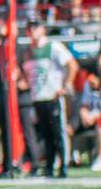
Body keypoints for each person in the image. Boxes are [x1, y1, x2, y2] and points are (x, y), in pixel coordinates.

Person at [18, 24, 74, 179]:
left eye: (36, 27)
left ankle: (63, 165)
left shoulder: (53, 46)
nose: (33, 31)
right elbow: (27, 76)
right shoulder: (27, 51)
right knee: (45, 134)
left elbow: (71, 65)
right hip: (38, 98)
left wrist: (65, 86)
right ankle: (49, 166)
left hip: (53, 96)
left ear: (43, 29)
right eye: (30, 28)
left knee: (58, 133)